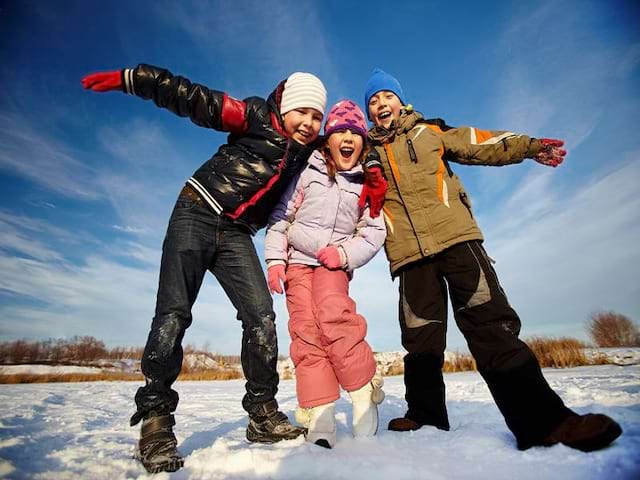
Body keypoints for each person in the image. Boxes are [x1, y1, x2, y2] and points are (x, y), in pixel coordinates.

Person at [81, 65, 334, 473]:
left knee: (261, 318)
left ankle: (262, 413)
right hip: (196, 211)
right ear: (284, 107)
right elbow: (190, 96)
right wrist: (135, 79)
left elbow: (350, 140)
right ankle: (155, 421)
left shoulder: (309, 150)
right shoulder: (253, 116)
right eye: (301, 111)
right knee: (173, 314)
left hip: (236, 234)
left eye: (316, 116)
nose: (308, 123)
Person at [363, 68, 622, 452]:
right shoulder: (364, 152)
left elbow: (481, 143)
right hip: (408, 255)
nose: (381, 104)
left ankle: (545, 422)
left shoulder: (429, 131)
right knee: (420, 340)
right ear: (368, 113)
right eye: (372, 100)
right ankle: (425, 416)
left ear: (402, 102)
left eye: (387, 96)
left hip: (457, 241)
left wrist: (529, 146)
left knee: (490, 326)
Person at [264, 100, 386, 448]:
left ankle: (363, 393)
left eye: (355, 133)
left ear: (363, 141)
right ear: (328, 139)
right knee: (305, 330)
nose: (347, 139)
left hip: (333, 263)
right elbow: (280, 218)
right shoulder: (307, 170)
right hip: (298, 262)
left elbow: (373, 232)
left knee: (335, 317)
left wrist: (344, 254)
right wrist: (275, 262)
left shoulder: (368, 182)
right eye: (340, 132)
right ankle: (320, 412)